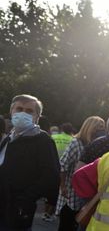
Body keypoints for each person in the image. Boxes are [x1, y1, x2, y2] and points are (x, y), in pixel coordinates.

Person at [0, 94, 60, 230]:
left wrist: (26, 198)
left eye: (29, 111)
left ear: (37, 117)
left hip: (18, 209)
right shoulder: (9, 138)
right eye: (19, 109)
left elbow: (51, 176)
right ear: (11, 112)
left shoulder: (43, 141)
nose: (23, 113)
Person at [55, 116, 105, 230]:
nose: (100, 130)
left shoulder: (96, 145)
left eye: (102, 127)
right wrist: (63, 186)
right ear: (89, 127)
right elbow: (63, 165)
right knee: (66, 225)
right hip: (71, 194)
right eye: (98, 127)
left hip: (86, 196)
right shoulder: (76, 142)